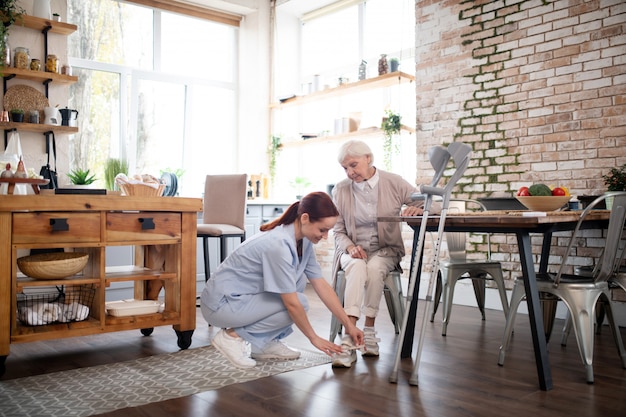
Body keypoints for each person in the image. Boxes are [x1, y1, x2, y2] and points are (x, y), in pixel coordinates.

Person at [200, 191, 364, 369]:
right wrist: (314, 338)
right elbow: (292, 304)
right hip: (220, 305)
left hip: (241, 299)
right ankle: (232, 337)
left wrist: (348, 325)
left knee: (297, 284)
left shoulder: (304, 241)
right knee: (298, 301)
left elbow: (320, 284)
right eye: (322, 230)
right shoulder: (278, 244)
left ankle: (262, 345)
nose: (325, 237)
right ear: (305, 218)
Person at [331, 140, 424, 368]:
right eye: (345, 168)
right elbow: (338, 231)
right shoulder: (340, 189)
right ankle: (350, 336)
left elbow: (433, 204)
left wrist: (417, 208)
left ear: (368, 159)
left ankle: (369, 331)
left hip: (385, 250)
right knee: (357, 265)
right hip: (351, 250)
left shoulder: (394, 182)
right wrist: (351, 247)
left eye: (354, 165)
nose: (350, 172)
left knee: (373, 268)